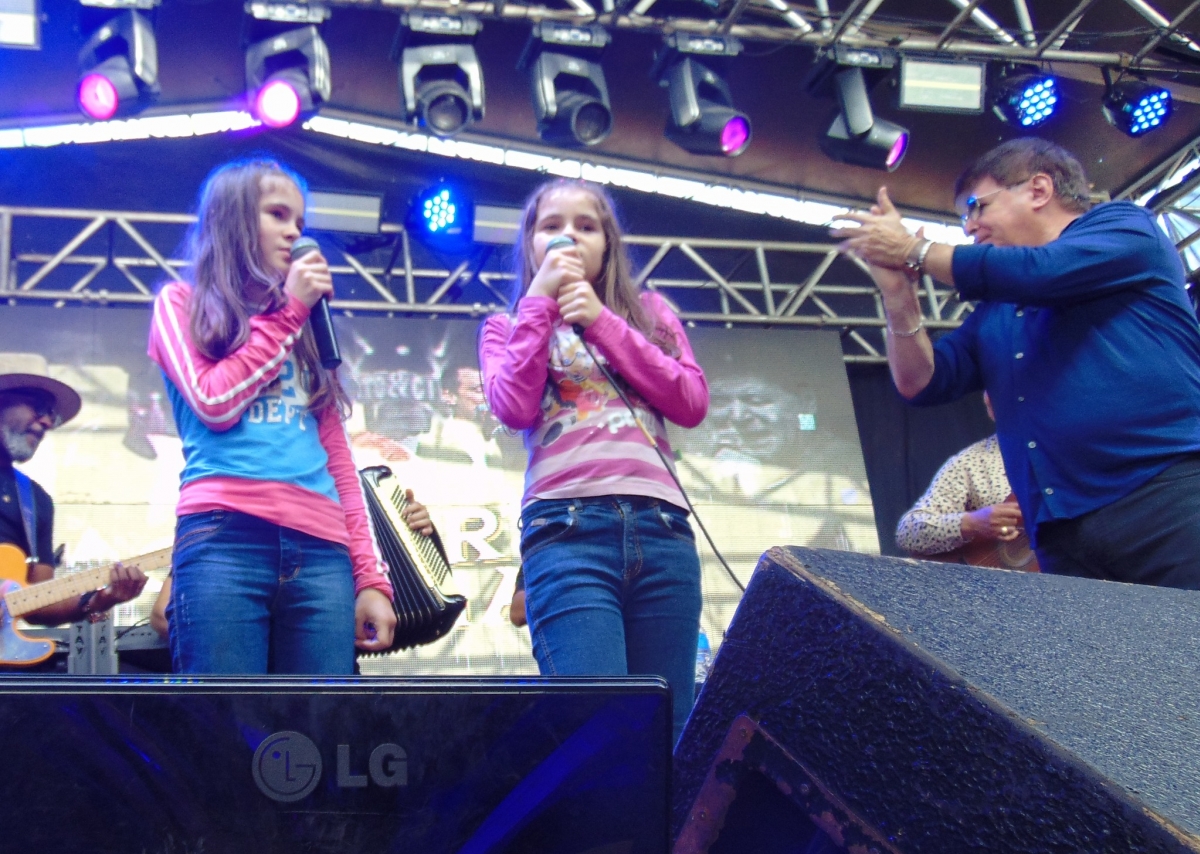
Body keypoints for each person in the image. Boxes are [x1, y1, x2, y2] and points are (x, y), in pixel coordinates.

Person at [835, 138, 1200, 589]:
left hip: (1166, 494)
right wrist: (899, 296)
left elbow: (1043, 271)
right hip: (1061, 532)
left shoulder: (1125, 227)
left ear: (1039, 189)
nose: (969, 227)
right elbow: (920, 383)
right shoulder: (998, 311)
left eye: (976, 207)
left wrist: (915, 250)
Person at [479, 179, 709, 742]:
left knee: (670, 731)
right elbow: (512, 406)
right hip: (567, 531)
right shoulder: (505, 327)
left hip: (662, 531)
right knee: (595, 728)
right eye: (550, 226)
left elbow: (690, 401)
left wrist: (605, 322)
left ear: (608, 243)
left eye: (586, 226)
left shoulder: (650, 313)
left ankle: (668, 835)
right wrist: (539, 305)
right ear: (529, 244)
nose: (568, 238)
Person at [147, 158, 396, 674]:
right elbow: (215, 402)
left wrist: (370, 578)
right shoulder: (180, 304)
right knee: (223, 726)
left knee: (320, 730)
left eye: (300, 223)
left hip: (323, 550)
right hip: (224, 538)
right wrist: (289, 312)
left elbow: (338, 462)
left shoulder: (303, 329)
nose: (295, 234)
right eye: (278, 215)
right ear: (234, 221)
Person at [0, 353, 148, 625]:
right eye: (37, 407)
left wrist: (102, 599)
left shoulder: (34, 500)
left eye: (51, 415)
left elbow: (36, 605)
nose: (46, 422)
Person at [895, 394, 1024, 557]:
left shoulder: (1065, 456)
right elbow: (908, 532)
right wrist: (971, 523)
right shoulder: (972, 462)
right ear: (991, 408)